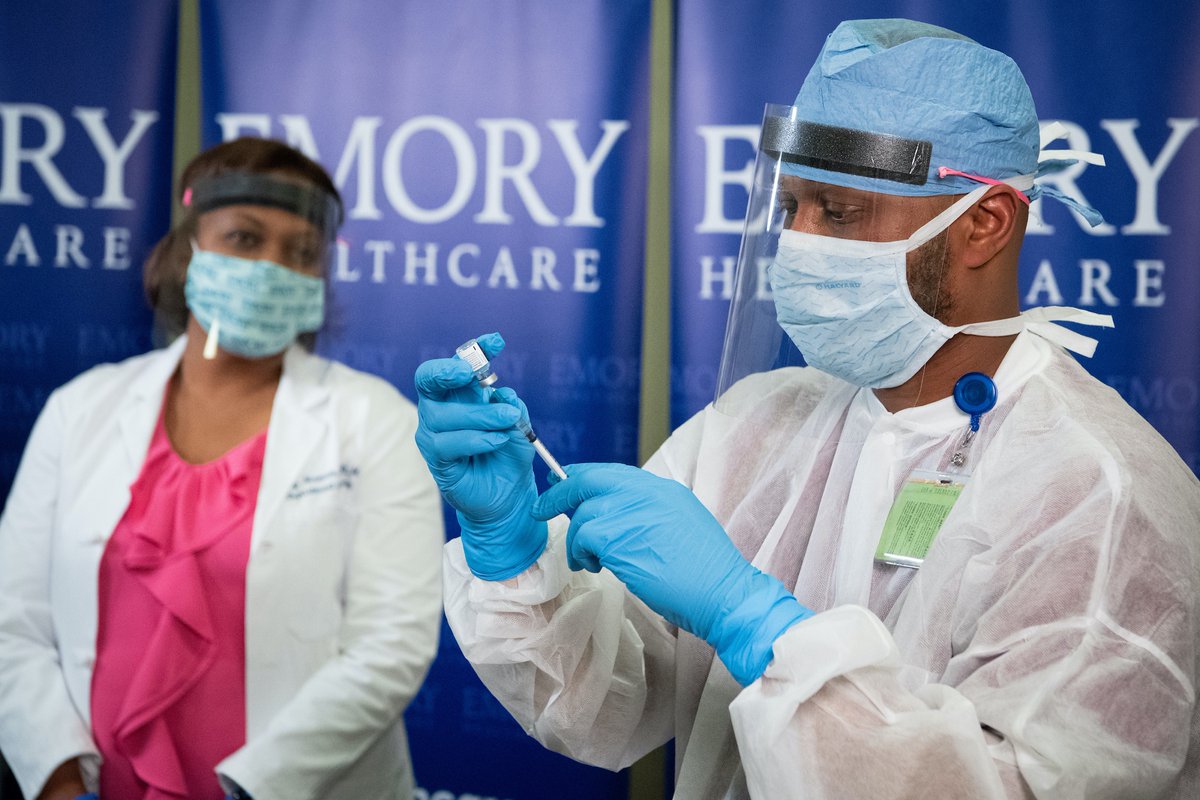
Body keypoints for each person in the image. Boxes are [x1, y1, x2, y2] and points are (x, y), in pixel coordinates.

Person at [413, 19, 1200, 799]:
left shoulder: (1096, 496)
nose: (802, 241)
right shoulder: (758, 427)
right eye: (791, 207)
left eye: (839, 211)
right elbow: (603, 708)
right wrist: (512, 555)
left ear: (984, 224)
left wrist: (759, 626)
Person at [0, 138, 445, 800]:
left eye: (300, 253)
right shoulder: (81, 409)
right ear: (189, 249)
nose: (272, 267)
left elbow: (391, 646)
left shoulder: (375, 420)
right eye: (244, 238)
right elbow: (12, 619)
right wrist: (60, 779)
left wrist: (250, 787)